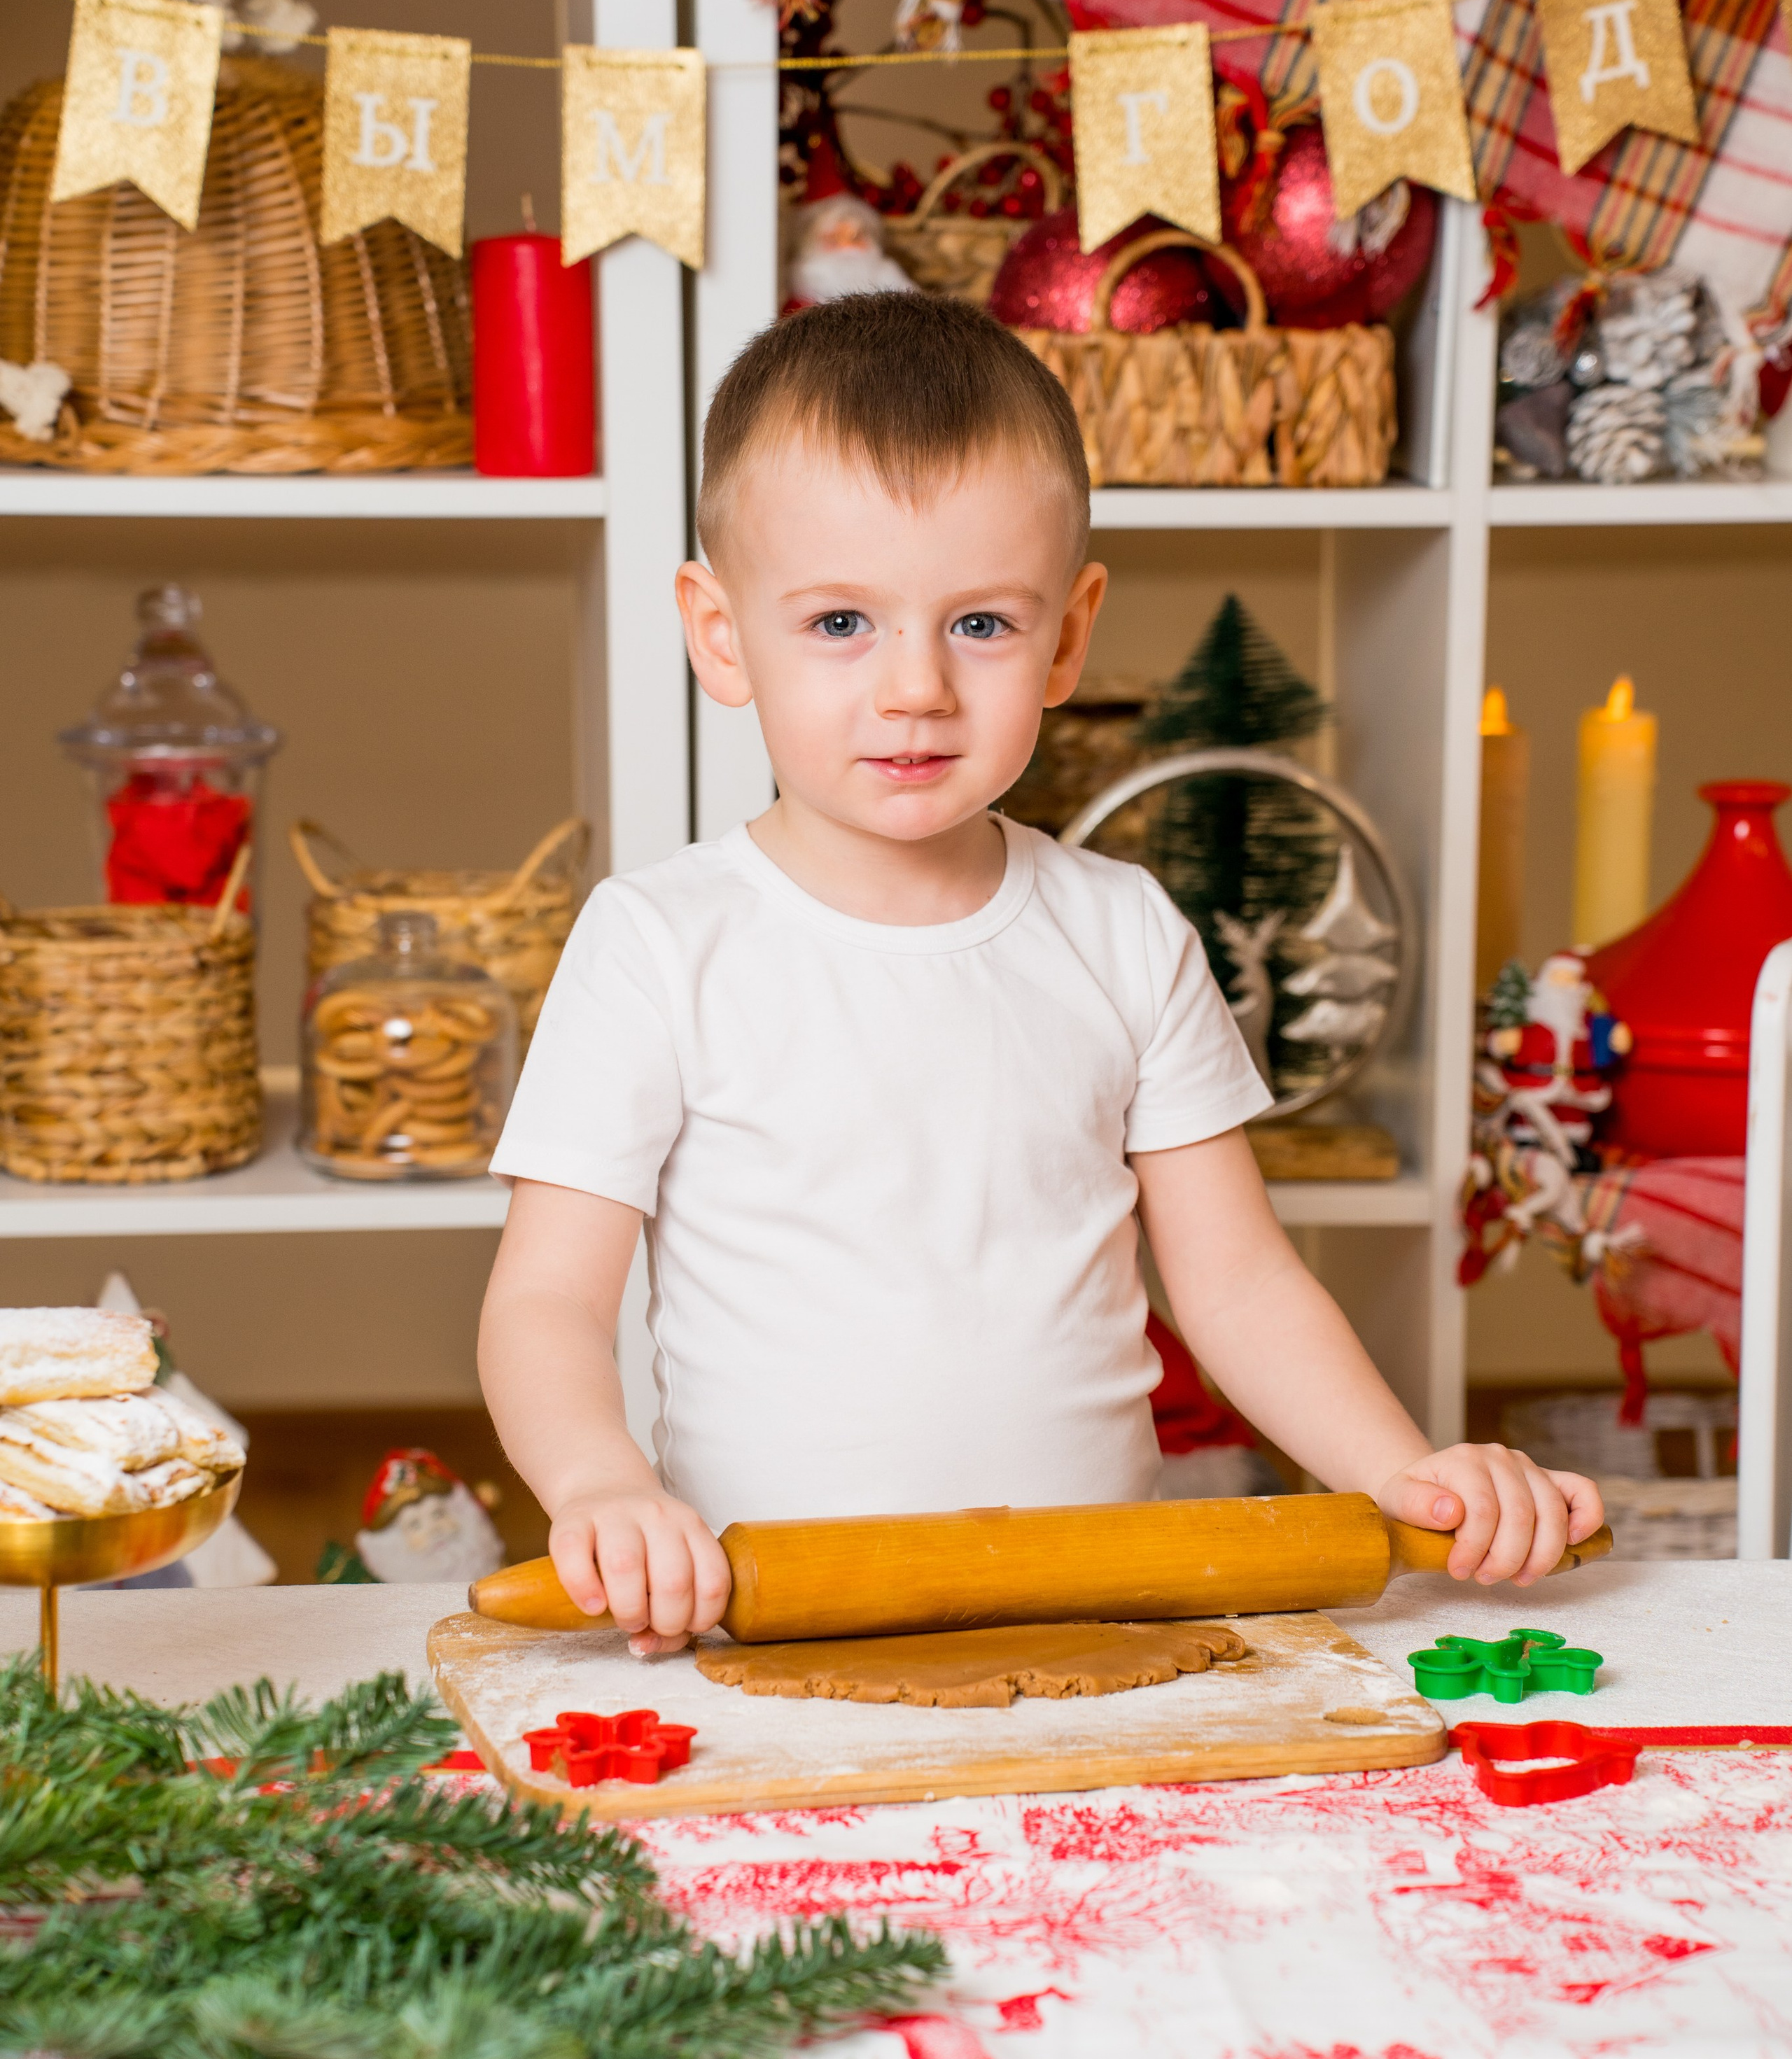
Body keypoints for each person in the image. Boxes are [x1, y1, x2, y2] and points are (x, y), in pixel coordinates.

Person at [480, 293, 1603, 1654]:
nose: (912, 689)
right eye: (840, 623)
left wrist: (1394, 1465)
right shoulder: (659, 943)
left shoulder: (1124, 933)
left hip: (1089, 1620)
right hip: (760, 1619)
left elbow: (1237, 1284)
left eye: (979, 627)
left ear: (1067, 636)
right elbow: (547, 1298)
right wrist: (601, 1482)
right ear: (721, 636)